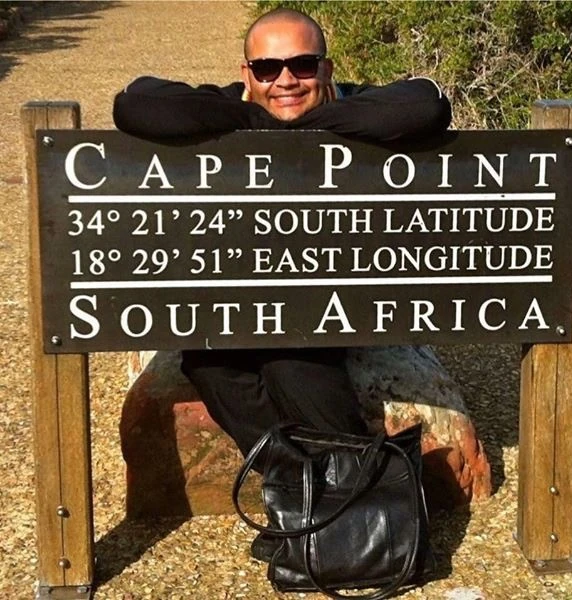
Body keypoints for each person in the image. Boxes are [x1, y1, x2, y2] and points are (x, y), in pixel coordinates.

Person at [113, 7, 451, 561]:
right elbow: (136, 102)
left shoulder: (354, 104)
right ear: (246, 73)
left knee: (291, 358)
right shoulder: (232, 104)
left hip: (339, 295)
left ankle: (336, 508)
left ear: (327, 67)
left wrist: (306, 126)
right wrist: (256, 119)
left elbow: (427, 103)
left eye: (302, 65)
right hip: (245, 291)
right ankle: (313, 493)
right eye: (267, 68)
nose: (286, 80)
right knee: (209, 359)